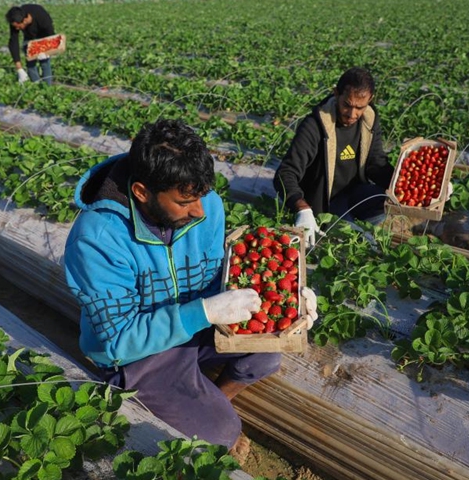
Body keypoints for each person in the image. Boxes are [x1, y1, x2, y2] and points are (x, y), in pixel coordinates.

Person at [64, 119, 318, 452]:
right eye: (184, 203)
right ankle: (201, 408)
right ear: (142, 193)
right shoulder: (97, 239)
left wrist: (287, 301)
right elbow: (117, 342)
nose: (199, 211)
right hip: (141, 353)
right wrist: (203, 311)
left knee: (271, 348)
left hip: (198, 323)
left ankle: (213, 397)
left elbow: (220, 273)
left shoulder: (205, 204)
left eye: (201, 196)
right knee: (222, 433)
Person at [274, 67, 394, 247]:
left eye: (360, 107)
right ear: (336, 93)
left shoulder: (369, 120)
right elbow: (285, 173)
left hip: (355, 192)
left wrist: (415, 185)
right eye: (347, 104)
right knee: (353, 240)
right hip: (325, 202)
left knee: (387, 200)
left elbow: (376, 164)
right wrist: (302, 208)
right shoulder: (315, 126)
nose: (352, 114)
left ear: (370, 100)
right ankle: (349, 228)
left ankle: (358, 225)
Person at [6, 4, 54, 85]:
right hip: (29, 37)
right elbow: (13, 42)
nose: (17, 29)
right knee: (30, 60)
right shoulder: (15, 19)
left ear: (25, 20)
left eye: (18, 27)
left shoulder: (42, 16)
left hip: (43, 36)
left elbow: (51, 34)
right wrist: (19, 69)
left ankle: (47, 88)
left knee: (44, 61)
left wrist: (48, 49)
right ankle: (35, 85)